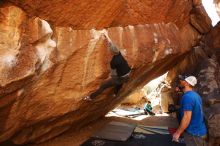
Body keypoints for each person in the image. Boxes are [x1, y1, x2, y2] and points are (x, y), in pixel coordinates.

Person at [84, 37, 131, 101]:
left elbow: (114, 75)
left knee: (103, 86)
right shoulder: (119, 53)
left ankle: (90, 97)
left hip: (121, 78)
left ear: (111, 52)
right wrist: (108, 38)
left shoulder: (113, 61)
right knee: (121, 82)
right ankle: (115, 93)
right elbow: (113, 46)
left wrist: (108, 79)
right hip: (128, 74)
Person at [172, 75, 207, 146]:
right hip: (200, 131)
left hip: (194, 134)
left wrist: (178, 133)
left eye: (183, 80)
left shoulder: (187, 97)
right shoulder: (196, 95)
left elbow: (187, 117)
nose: (180, 82)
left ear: (187, 83)